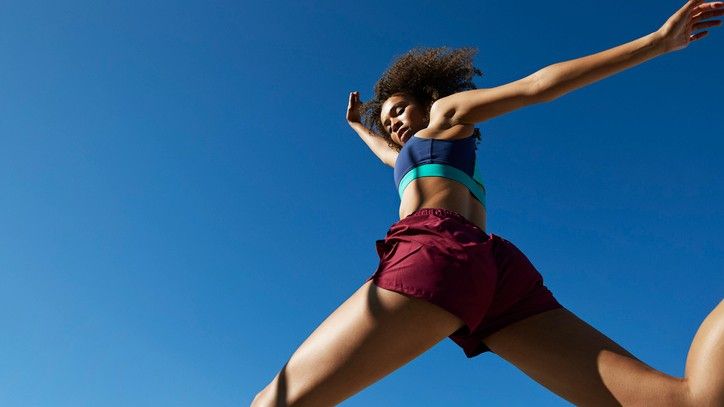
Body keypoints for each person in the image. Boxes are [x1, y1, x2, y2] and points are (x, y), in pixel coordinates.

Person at [252, 1, 724, 405]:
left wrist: (656, 42)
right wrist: (358, 125)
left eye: (399, 109)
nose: (392, 122)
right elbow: (388, 155)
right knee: (686, 401)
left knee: (272, 402)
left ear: (429, 99)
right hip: (495, 272)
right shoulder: (421, 157)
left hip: (438, 251)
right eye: (387, 118)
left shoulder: (446, 114)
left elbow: (537, 85)